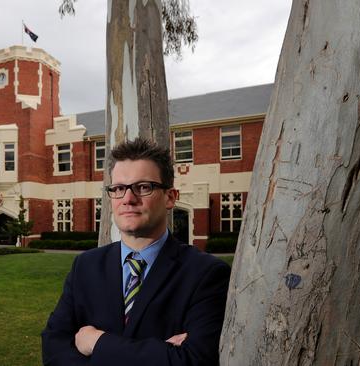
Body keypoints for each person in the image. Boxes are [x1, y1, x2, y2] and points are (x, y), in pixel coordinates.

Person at [41, 137, 230, 365]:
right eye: (119, 188)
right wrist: (160, 354)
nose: (128, 199)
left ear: (170, 197)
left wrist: (98, 343)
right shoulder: (86, 266)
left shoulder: (206, 274)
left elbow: (194, 360)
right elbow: (53, 347)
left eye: (143, 187)